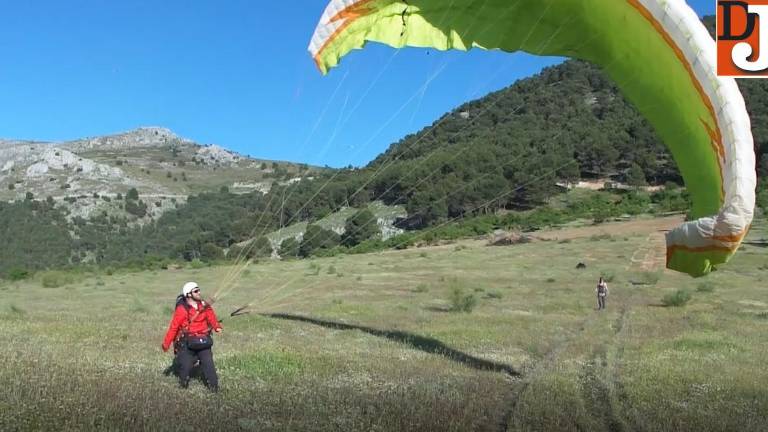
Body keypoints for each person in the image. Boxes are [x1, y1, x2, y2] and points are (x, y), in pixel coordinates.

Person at [162, 281, 222, 392]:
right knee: (185, 366)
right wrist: (166, 344)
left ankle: (214, 388)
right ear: (189, 294)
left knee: (208, 363)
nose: (199, 292)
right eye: (196, 291)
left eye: (199, 290)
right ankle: (183, 385)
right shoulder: (182, 309)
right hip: (187, 342)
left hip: (203, 339)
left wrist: (216, 326)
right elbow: (174, 327)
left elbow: (211, 316)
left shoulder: (204, 306)